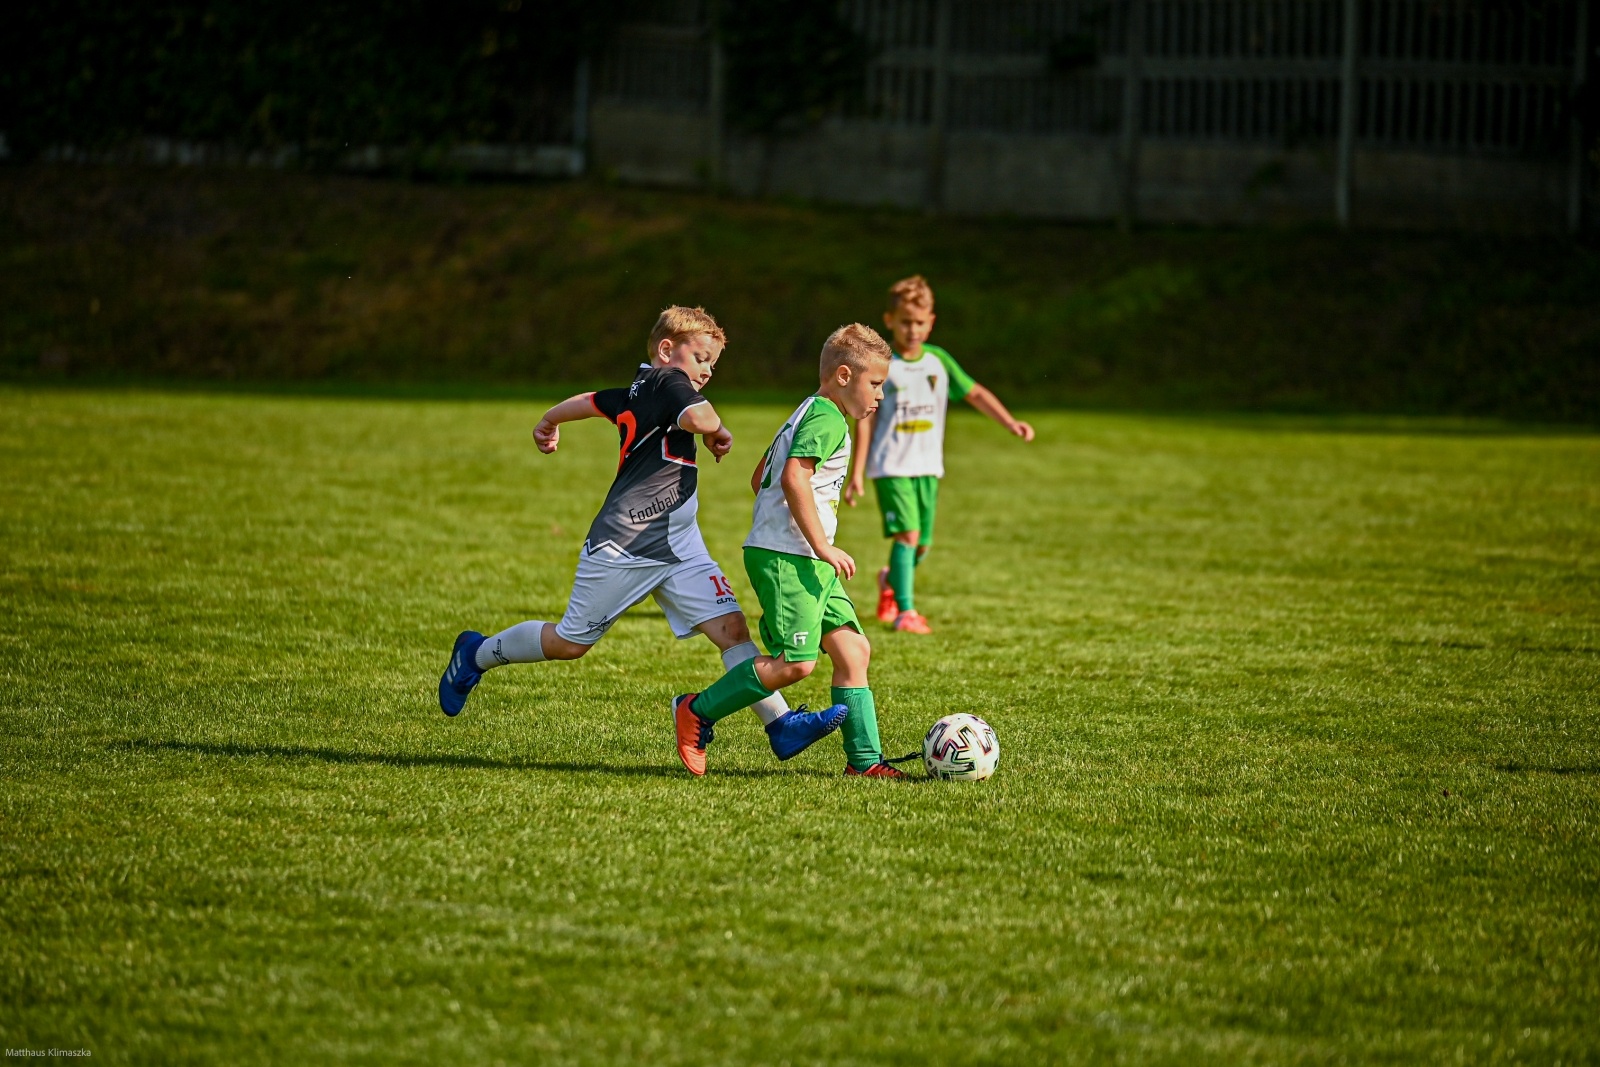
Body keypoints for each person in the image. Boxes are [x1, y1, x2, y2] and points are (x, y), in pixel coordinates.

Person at [438, 305, 848, 763]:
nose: (708, 370)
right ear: (667, 349)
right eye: (702, 358)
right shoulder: (667, 382)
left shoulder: (642, 386)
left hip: (678, 540)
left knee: (732, 629)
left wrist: (550, 419)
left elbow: (594, 400)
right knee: (569, 643)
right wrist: (717, 428)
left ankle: (780, 725)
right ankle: (476, 653)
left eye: (714, 362)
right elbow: (700, 418)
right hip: (627, 543)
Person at [670, 324, 909, 779]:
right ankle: (697, 710)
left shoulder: (806, 410)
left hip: (803, 557)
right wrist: (822, 544)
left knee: (854, 651)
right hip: (791, 556)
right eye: (875, 384)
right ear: (844, 376)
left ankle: (864, 762)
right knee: (796, 664)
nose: (880, 396)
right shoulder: (829, 418)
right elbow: (791, 477)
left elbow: (760, 475)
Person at [845, 275, 1035, 633]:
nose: (912, 329)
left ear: (931, 322)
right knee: (908, 537)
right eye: (905, 322)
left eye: (919, 322)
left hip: (928, 468)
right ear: (889, 321)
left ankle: (890, 581)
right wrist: (858, 472)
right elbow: (866, 421)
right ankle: (906, 613)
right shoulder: (883, 366)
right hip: (891, 466)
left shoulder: (939, 362)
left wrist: (1009, 422)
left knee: (922, 546)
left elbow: (975, 393)